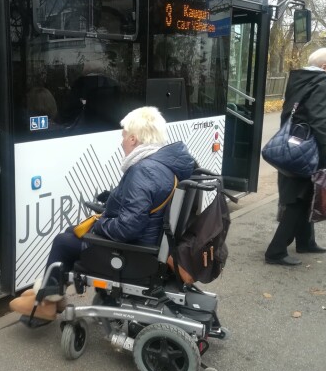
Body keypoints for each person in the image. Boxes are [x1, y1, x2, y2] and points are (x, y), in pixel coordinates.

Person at [10, 106, 195, 321]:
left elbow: (128, 227)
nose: (122, 141)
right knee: (72, 233)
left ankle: (45, 304)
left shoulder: (143, 171)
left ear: (134, 139)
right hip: (148, 243)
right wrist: (113, 199)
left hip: (134, 253)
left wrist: (100, 224)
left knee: (63, 241)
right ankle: (51, 294)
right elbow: (143, 203)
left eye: (124, 136)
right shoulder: (160, 165)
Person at [265, 47, 326, 266]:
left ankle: (306, 241)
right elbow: (321, 117)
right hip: (311, 150)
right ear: (324, 67)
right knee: (299, 200)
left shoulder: (303, 80)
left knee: (308, 195)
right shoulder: (322, 82)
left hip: (297, 148)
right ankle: (276, 251)